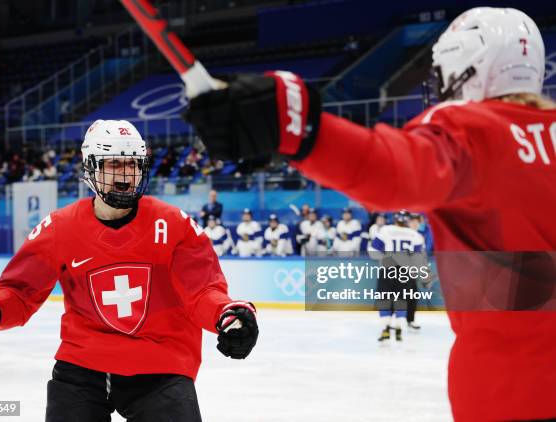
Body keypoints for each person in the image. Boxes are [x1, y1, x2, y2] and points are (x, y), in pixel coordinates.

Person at [185, 7, 556, 421]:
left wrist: (298, 129)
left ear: (466, 68)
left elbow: (393, 174)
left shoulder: (470, 128)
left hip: (511, 389)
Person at [0, 120, 259, 422]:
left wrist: (226, 314)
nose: (126, 174)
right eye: (114, 163)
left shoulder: (174, 224)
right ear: (90, 168)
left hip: (159, 364)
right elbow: (20, 291)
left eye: (133, 164)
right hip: (82, 365)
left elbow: (203, 290)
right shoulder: (61, 227)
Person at [368, 210, 425, 341]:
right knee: (401, 300)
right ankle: (399, 328)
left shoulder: (385, 230)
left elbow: (373, 251)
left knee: (385, 299)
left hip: (388, 268)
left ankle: (385, 329)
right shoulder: (414, 234)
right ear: (407, 220)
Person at [406, 213, 427, 330]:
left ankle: (410, 320)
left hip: (411, 270)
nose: (414, 224)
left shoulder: (419, 237)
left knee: (412, 295)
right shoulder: (403, 234)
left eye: (416, 222)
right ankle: (391, 321)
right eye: (412, 221)